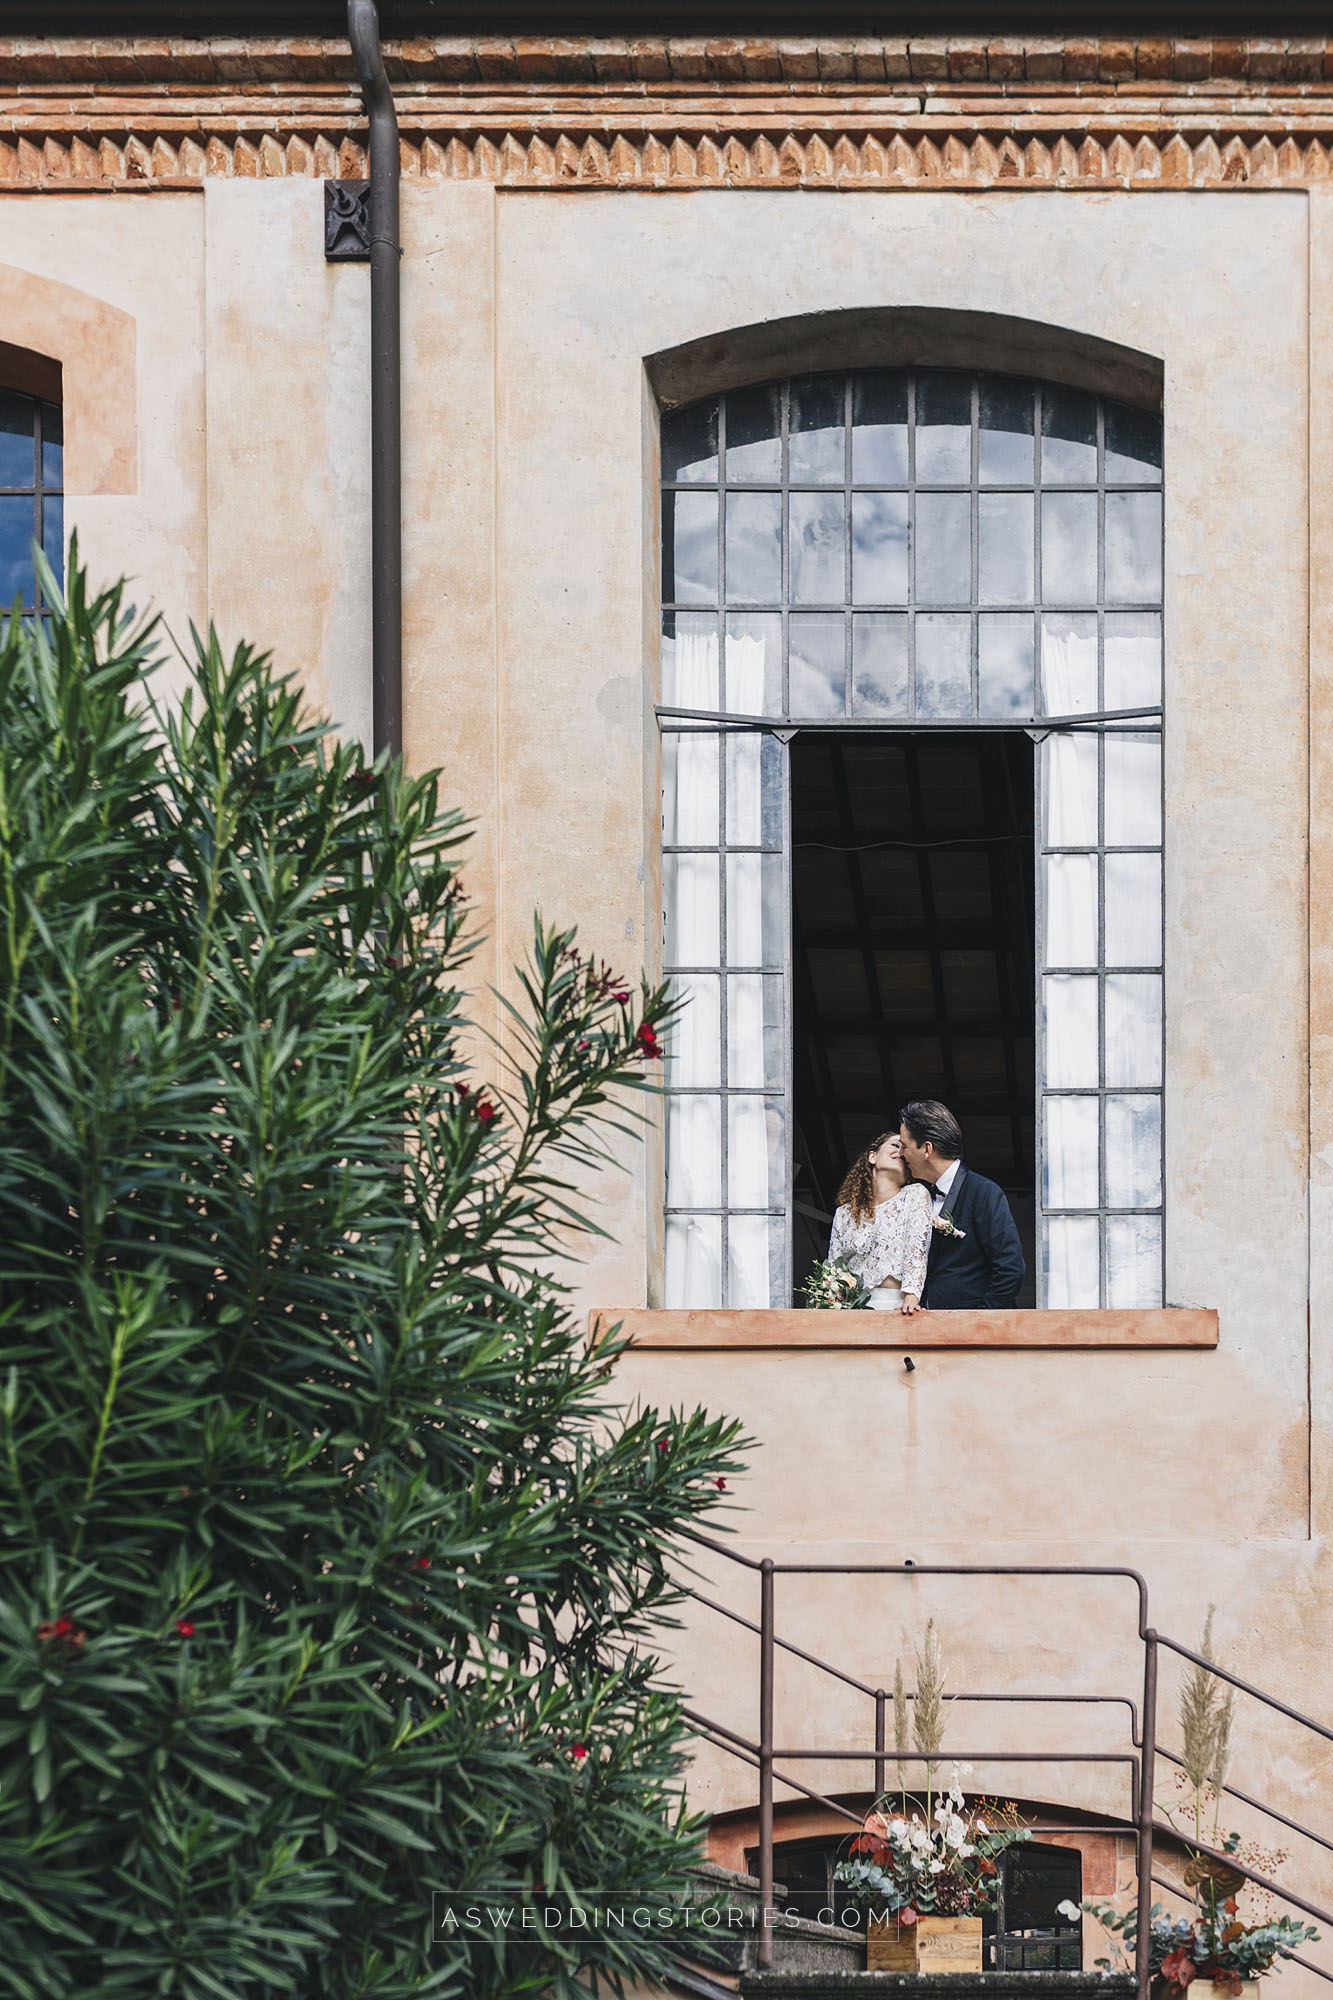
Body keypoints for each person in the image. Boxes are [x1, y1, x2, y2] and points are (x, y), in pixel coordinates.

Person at [897, 1099, 1024, 1314]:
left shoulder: (984, 1192)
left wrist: (980, 1318)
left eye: (905, 1146)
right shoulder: (916, 1196)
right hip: (924, 1327)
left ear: (926, 1149)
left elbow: (1010, 1269)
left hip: (974, 1330)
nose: (901, 1154)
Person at [828, 1130, 932, 1314]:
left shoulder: (915, 1194)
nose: (900, 1151)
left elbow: (917, 1250)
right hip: (851, 1309)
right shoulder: (844, 1213)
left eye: (905, 1149)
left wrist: (911, 1297)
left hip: (897, 1306)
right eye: (895, 1145)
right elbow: (834, 1267)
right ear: (872, 1156)